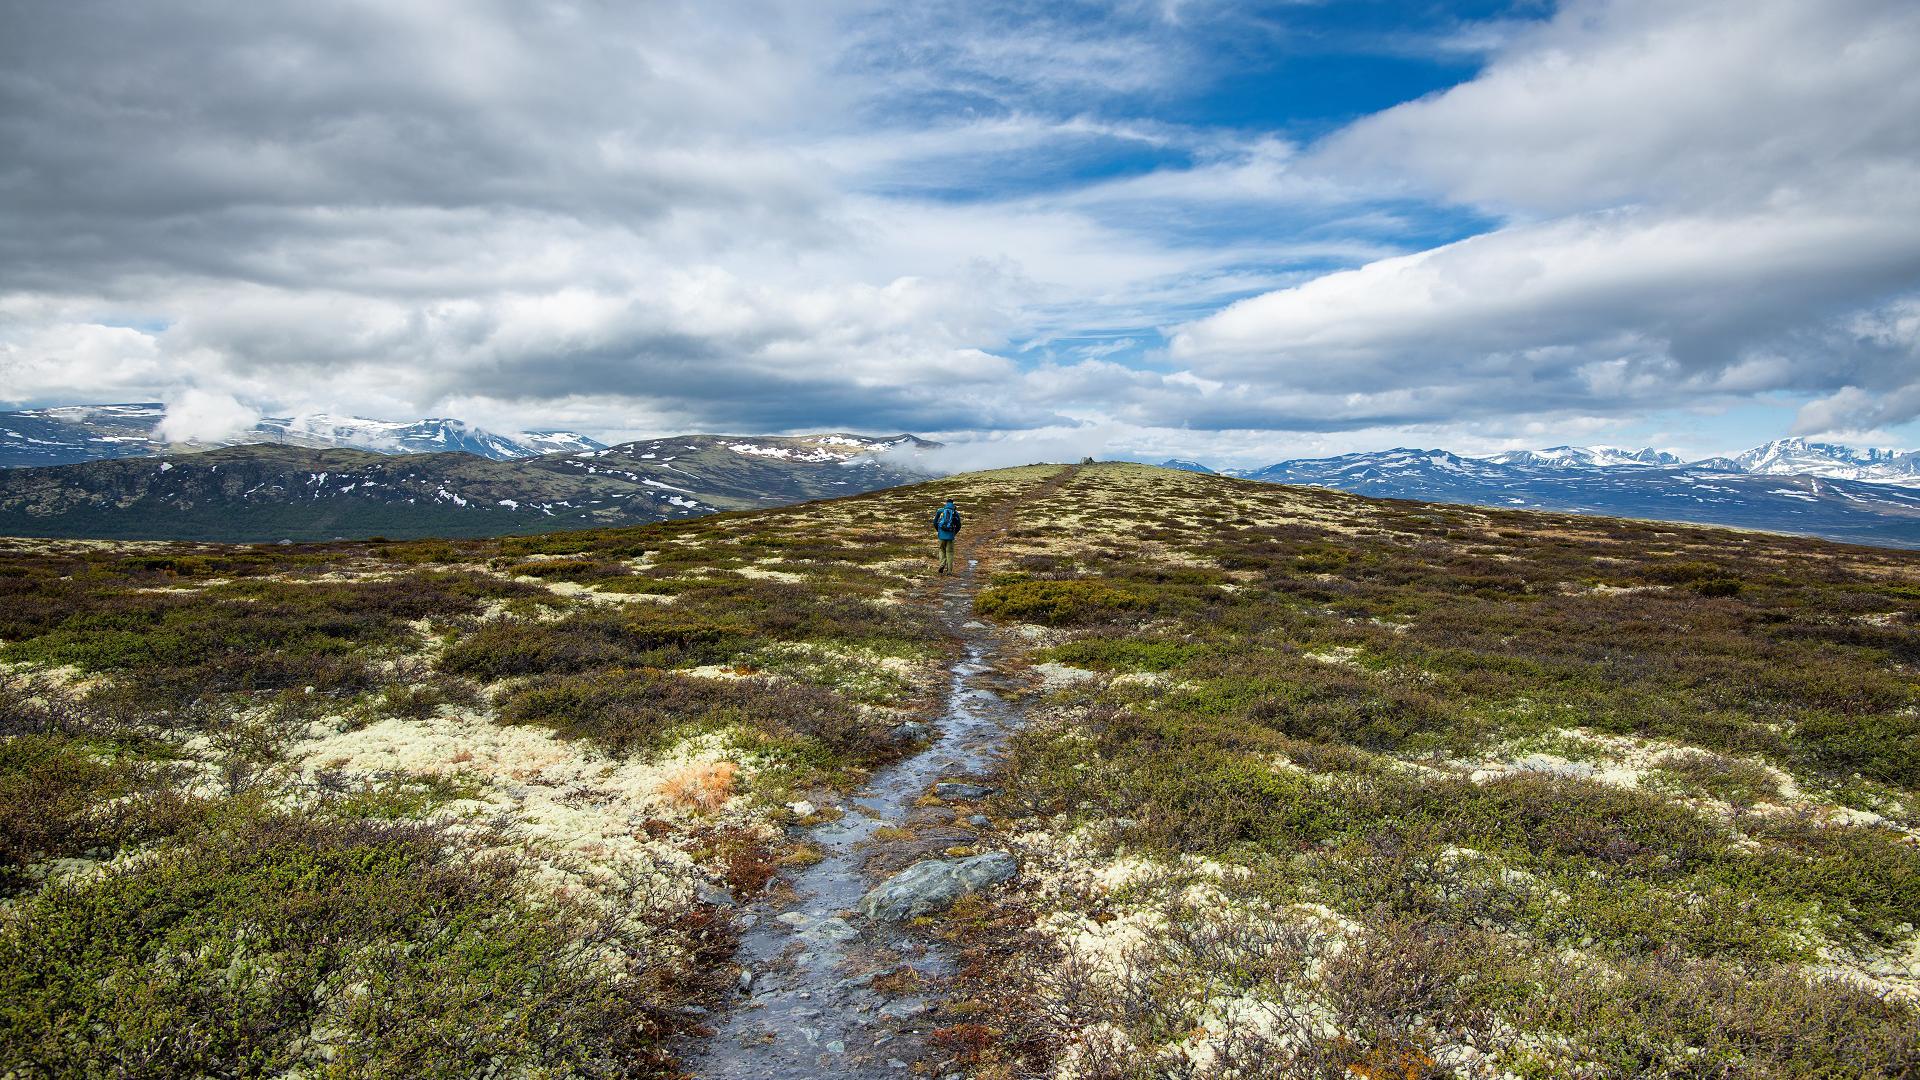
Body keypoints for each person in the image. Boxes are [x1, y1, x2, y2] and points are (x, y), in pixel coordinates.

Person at [933, 498, 962, 574]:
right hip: (950, 535)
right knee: (950, 552)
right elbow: (959, 525)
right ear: (953, 504)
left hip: (941, 535)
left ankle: (942, 564)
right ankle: (949, 571)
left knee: (942, 550)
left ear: (946, 503)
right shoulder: (955, 513)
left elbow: (935, 522)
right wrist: (954, 533)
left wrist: (939, 531)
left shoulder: (940, 511)